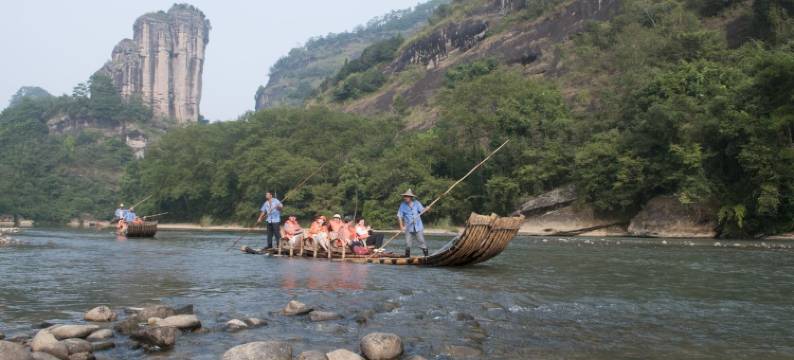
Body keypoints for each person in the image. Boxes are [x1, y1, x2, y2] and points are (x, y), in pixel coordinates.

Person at [397, 189, 428, 257]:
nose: (405, 198)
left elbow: (422, 211)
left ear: (411, 197)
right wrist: (401, 226)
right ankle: (407, 258)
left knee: (421, 241)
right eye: (405, 196)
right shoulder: (402, 205)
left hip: (418, 226)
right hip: (408, 227)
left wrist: (426, 209)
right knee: (408, 244)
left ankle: (426, 257)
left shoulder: (417, 203)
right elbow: (399, 216)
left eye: (407, 196)